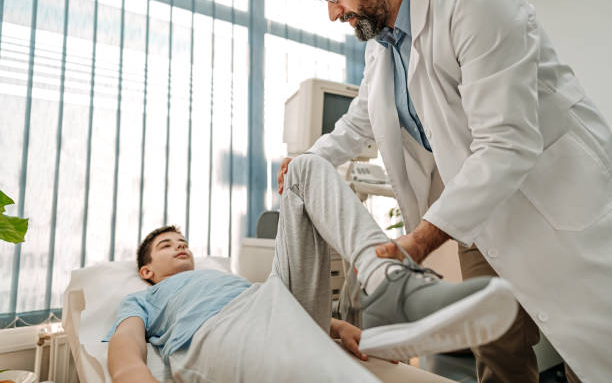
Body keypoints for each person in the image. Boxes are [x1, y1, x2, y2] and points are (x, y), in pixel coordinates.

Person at [277, 0, 612, 382]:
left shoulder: (474, 1)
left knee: (592, 349)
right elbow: (359, 121)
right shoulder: (382, 49)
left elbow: (506, 144)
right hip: (482, 217)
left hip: (555, 201)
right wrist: (310, 159)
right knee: (498, 352)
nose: (333, 12)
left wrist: (418, 241)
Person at [107, 154, 517, 382]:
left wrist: (338, 328)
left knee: (304, 166)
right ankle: (383, 305)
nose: (180, 247)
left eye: (182, 242)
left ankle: (389, 285)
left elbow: (273, 305)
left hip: (272, 300)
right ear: (147, 271)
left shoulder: (220, 275)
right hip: (215, 331)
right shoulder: (143, 299)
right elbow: (126, 357)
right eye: (166, 245)